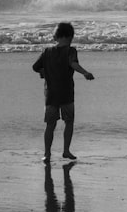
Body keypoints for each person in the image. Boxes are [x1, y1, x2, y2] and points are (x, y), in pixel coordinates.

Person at [32, 22, 95, 163]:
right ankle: (66, 151)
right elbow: (73, 63)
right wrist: (85, 72)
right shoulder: (70, 51)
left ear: (56, 37)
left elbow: (35, 67)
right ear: (70, 37)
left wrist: (44, 72)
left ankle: (47, 153)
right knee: (69, 122)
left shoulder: (46, 52)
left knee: (50, 124)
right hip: (66, 94)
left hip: (50, 95)